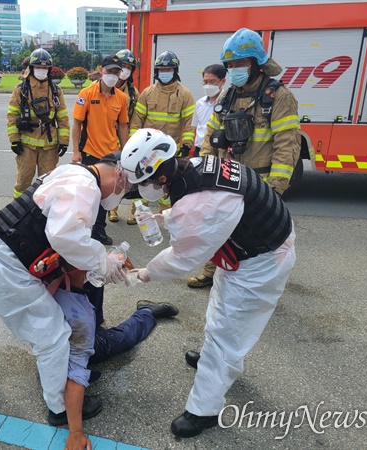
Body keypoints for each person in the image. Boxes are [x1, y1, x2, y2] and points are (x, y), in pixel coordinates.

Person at [0, 153, 136, 447]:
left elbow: (60, 235)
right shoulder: (87, 187)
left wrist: (100, 258)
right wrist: (103, 261)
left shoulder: (71, 172)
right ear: (120, 175)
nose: (120, 199)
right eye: (124, 192)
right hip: (4, 265)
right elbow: (64, 237)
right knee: (52, 334)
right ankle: (60, 406)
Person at [121, 128, 296, 438]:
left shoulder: (203, 204)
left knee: (227, 332)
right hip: (251, 247)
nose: (141, 190)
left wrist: (147, 273)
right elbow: (197, 206)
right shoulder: (196, 166)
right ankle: (216, 360)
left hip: (262, 261)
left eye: (143, 183)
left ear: (161, 178)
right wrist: (163, 219)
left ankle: (204, 410)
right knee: (221, 307)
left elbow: (183, 257)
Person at [193, 28, 301, 289]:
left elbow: (288, 143)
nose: (234, 69)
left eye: (240, 63)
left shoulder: (279, 97)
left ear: (256, 64)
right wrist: (204, 171)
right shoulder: (229, 94)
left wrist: (276, 186)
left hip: (261, 182)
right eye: (230, 65)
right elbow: (210, 135)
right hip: (229, 177)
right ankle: (212, 270)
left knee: (257, 233)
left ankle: (261, 280)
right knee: (221, 226)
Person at [71, 54, 129, 245]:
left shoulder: (121, 98)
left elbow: (122, 127)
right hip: (89, 152)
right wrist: (76, 152)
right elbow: (77, 123)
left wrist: (126, 152)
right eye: (109, 71)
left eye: (116, 72)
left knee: (105, 194)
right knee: (87, 193)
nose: (112, 75)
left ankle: (99, 230)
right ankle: (82, 229)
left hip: (110, 155)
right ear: (101, 71)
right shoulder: (86, 94)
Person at [129, 50, 196, 213]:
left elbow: (190, 123)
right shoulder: (148, 92)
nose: (164, 73)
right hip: (147, 148)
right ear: (156, 72)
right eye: (161, 70)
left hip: (169, 150)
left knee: (166, 183)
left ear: (175, 71)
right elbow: (137, 119)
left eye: (168, 69)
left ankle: (165, 214)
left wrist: (186, 145)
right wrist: (133, 144)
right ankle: (137, 212)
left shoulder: (185, 94)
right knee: (143, 179)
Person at [7, 48, 70, 198]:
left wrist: (64, 142)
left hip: (49, 146)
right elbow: (12, 115)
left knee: (47, 183)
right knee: (23, 182)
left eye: (45, 68)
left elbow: (62, 118)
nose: (41, 70)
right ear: (32, 68)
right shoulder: (21, 90)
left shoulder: (56, 91)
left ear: (49, 70)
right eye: (38, 67)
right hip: (26, 146)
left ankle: (43, 214)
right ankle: (19, 213)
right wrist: (14, 140)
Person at [185, 64, 227, 289]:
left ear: (223, 81)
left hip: (222, 160)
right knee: (206, 213)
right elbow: (196, 131)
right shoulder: (200, 104)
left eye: (212, 81)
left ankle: (214, 270)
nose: (207, 85)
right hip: (201, 156)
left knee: (217, 215)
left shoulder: (228, 104)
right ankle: (212, 268)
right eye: (205, 81)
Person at [108, 49, 142, 226]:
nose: (126, 70)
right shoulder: (106, 86)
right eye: (124, 66)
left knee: (129, 176)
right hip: (105, 138)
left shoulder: (133, 92)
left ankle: (135, 212)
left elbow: (136, 117)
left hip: (125, 138)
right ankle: (112, 209)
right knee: (111, 177)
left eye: (129, 67)